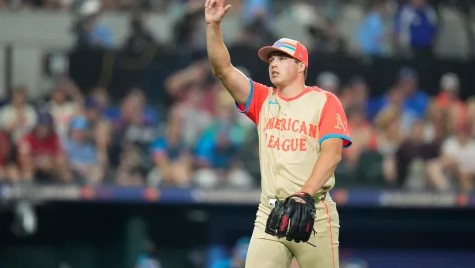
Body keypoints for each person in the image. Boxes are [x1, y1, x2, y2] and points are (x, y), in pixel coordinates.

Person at [204, 1, 352, 267]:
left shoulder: (324, 101)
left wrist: (304, 193)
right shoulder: (262, 99)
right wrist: (213, 26)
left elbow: (332, 153)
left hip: (315, 212)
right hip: (270, 213)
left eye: (282, 58)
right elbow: (223, 70)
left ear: (301, 66)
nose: (273, 63)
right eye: (271, 59)